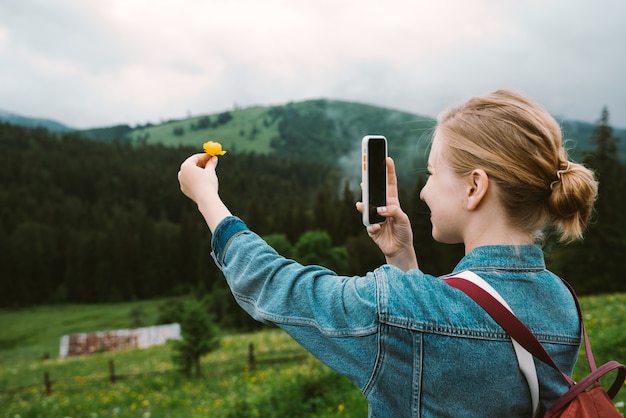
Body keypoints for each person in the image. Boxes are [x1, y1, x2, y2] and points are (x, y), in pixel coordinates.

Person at [178, 89, 598, 417]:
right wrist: (404, 263)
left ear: (475, 187)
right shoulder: (563, 302)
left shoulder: (400, 307)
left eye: (432, 174)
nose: (422, 191)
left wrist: (210, 203)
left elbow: (278, 287)